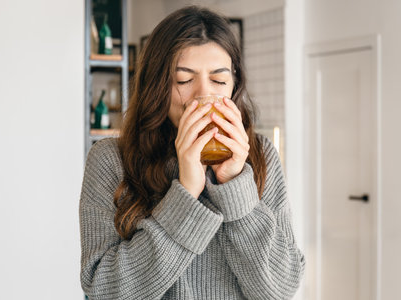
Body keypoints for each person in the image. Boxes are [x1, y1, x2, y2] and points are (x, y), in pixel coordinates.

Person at [80, 5, 305, 300]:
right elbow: (103, 290)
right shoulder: (111, 159)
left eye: (219, 80)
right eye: (184, 80)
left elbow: (281, 288)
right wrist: (186, 192)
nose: (203, 95)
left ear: (234, 85)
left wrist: (236, 186)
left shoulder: (260, 155)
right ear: (155, 85)